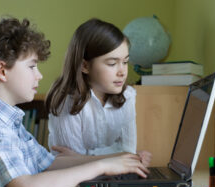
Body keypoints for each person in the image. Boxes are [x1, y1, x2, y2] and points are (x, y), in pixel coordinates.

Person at [0, 17, 149, 187]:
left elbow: (48, 163)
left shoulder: (5, 121)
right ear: (2, 71)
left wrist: (119, 159)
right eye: (31, 66)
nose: (39, 76)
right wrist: (102, 166)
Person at [46, 18, 152, 166]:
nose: (122, 72)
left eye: (125, 62)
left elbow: (128, 151)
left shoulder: (127, 95)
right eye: (112, 63)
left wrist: (84, 157)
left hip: (110, 179)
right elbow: (70, 165)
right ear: (85, 66)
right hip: (71, 183)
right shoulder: (67, 100)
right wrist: (119, 157)